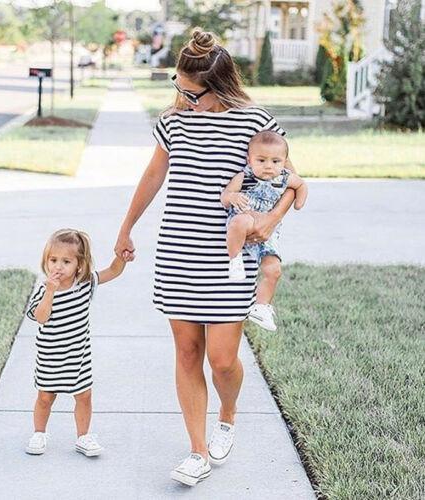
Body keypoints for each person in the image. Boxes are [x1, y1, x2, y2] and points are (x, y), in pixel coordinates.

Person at [115, 28, 300, 487]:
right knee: (186, 351)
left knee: (221, 360)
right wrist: (126, 227)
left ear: (216, 87)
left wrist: (271, 222)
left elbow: (291, 179)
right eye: (177, 86)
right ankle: (196, 450)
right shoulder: (173, 121)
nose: (181, 96)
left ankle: (229, 415)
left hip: (231, 255)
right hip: (178, 251)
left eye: (189, 90)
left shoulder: (256, 123)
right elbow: (153, 176)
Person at [25, 228, 126, 457]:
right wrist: (50, 292)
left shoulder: (85, 284)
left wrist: (122, 257)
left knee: (84, 396)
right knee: (45, 397)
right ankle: (39, 433)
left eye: (66, 261)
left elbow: (113, 271)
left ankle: (83, 436)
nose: (57, 267)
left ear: (79, 265)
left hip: (78, 357)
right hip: (50, 356)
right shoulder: (43, 289)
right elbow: (40, 317)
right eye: (53, 260)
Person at [222, 130, 307, 331]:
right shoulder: (244, 176)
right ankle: (235, 259)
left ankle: (261, 307)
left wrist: (299, 203)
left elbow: (301, 184)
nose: (268, 166)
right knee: (239, 222)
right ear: (249, 159)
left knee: (274, 270)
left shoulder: (285, 178)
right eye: (261, 160)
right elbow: (225, 195)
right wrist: (232, 198)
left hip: (269, 229)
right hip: (248, 219)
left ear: (284, 161)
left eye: (276, 161)